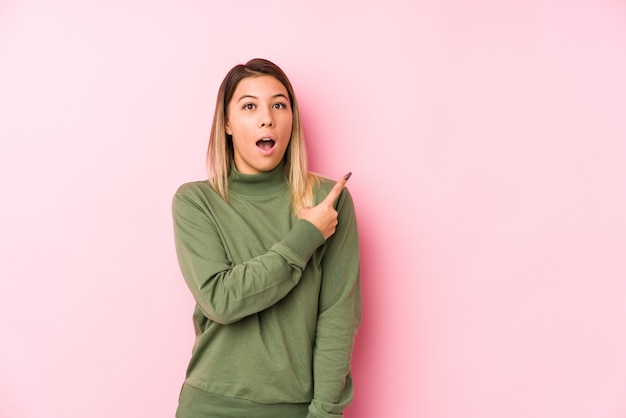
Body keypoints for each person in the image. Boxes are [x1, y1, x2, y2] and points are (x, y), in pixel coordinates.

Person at [171, 58, 361, 418]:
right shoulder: (195, 202)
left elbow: (339, 316)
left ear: (292, 118)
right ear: (226, 123)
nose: (267, 118)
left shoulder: (328, 200)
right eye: (249, 106)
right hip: (209, 404)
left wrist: (324, 413)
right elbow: (221, 299)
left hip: (294, 408)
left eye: (279, 104)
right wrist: (305, 236)